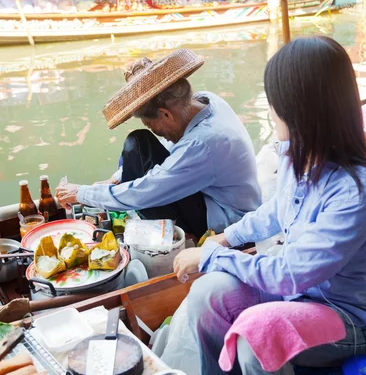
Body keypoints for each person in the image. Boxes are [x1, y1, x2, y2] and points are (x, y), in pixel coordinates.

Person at [173, 36, 366, 375]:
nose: (271, 109)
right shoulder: (300, 154)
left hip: (349, 320)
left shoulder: (359, 190)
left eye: (276, 101)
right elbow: (275, 211)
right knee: (208, 295)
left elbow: (287, 275)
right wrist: (226, 237)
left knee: (261, 330)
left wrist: (210, 254)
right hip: (303, 300)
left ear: (302, 110)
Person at [56, 49, 261, 239]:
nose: (158, 133)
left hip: (228, 221)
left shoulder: (201, 145)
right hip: (216, 194)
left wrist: (81, 193)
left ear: (165, 114)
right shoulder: (206, 100)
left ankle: (183, 236)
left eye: (153, 126)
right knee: (138, 142)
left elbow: (144, 192)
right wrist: (116, 179)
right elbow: (172, 148)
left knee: (141, 184)